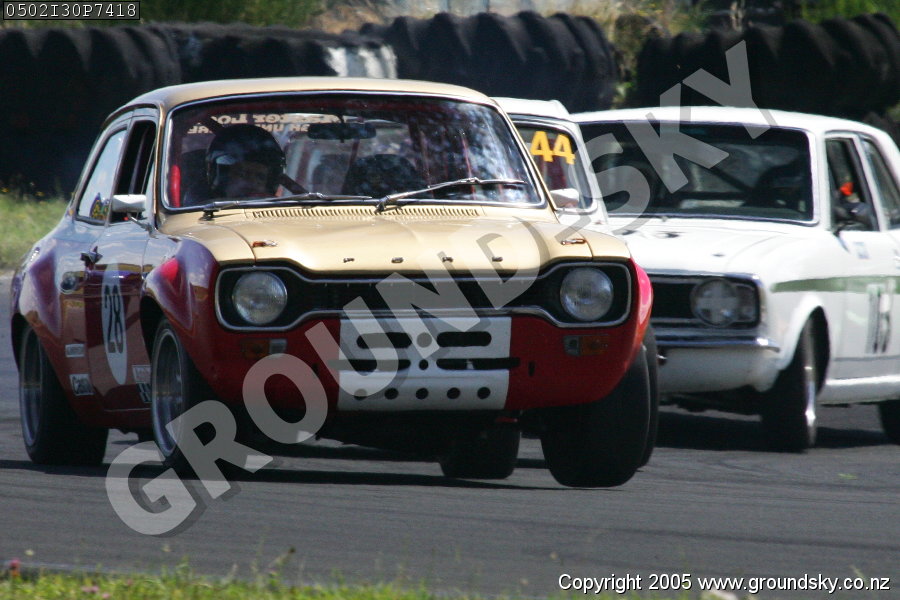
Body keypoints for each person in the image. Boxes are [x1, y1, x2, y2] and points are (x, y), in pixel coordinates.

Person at [205, 124, 285, 199]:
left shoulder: (280, 208)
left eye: (260, 177)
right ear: (223, 178)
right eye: (243, 174)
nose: (252, 181)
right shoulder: (202, 208)